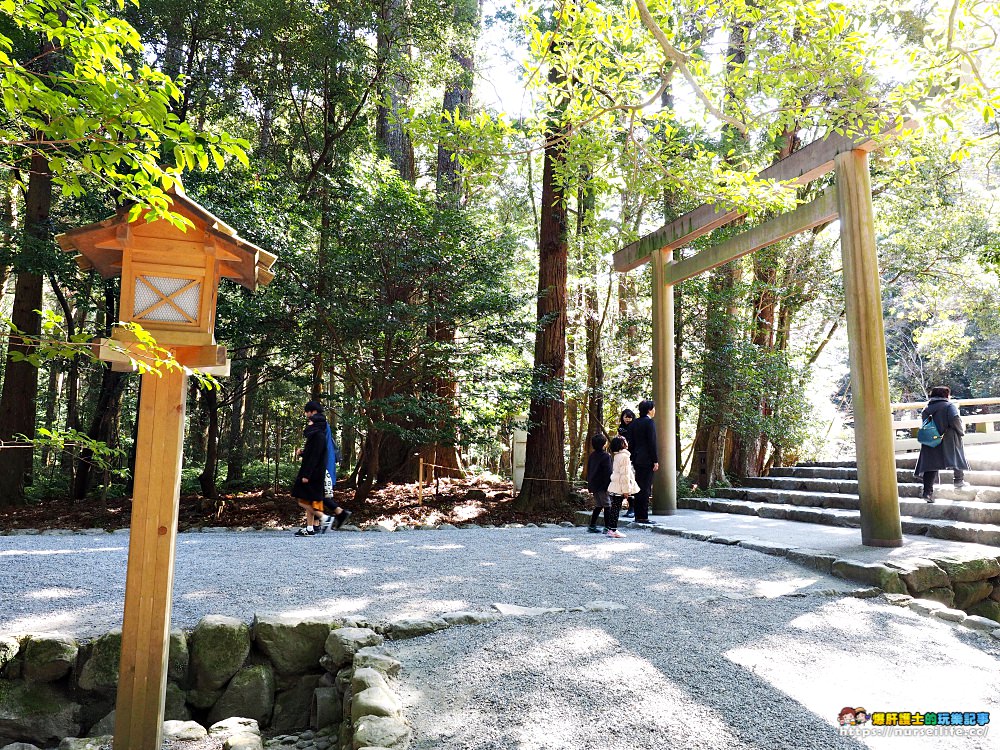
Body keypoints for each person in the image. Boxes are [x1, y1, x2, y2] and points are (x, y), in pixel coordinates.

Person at [292, 401, 351, 535]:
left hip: (321, 467)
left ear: (313, 412)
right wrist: (304, 453)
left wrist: (308, 472)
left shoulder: (320, 428)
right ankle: (317, 523)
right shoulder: (322, 427)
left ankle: (324, 520)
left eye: (308, 414)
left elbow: (317, 451)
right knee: (314, 496)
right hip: (322, 465)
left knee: (314, 496)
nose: (308, 419)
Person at [914, 386, 970, 503]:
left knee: (931, 465)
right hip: (948, 438)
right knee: (956, 456)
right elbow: (955, 419)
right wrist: (961, 431)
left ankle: (927, 493)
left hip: (931, 439)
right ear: (945, 395)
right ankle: (958, 481)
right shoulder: (949, 406)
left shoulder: (927, 408)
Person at [628, 399, 659, 524]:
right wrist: (655, 460)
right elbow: (652, 443)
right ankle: (643, 516)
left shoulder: (634, 423)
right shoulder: (649, 423)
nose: (654, 410)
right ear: (649, 410)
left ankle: (638, 515)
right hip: (647, 459)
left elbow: (631, 443)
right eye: (653, 408)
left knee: (638, 487)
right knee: (645, 488)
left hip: (637, 458)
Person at [606, 436, 638, 538]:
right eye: (624, 441)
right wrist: (626, 490)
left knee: (614, 507)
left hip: (616, 484)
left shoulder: (617, 456)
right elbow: (625, 475)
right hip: (620, 486)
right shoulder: (624, 457)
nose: (626, 442)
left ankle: (611, 529)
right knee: (616, 508)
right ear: (622, 444)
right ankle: (613, 530)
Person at [586, 434, 614, 535]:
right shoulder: (606, 456)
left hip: (594, 484)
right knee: (607, 505)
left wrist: (589, 484)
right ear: (604, 444)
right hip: (603, 485)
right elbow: (608, 472)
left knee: (598, 504)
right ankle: (607, 527)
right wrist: (609, 485)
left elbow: (588, 470)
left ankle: (592, 525)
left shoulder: (592, 456)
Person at [617, 409, 636, 516]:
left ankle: (632, 508)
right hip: (622, 458)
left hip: (632, 458)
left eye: (630, 417)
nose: (628, 419)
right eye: (626, 417)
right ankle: (623, 506)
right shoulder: (620, 428)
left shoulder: (635, 427)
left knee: (630, 482)